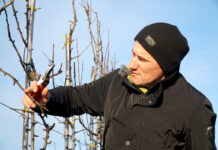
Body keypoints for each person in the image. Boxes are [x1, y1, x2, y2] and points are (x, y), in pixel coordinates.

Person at [22, 22, 217, 150]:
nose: (132, 64)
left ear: (166, 66)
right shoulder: (117, 81)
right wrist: (47, 99)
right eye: (133, 54)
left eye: (142, 59)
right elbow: (76, 97)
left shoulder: (194, 108)